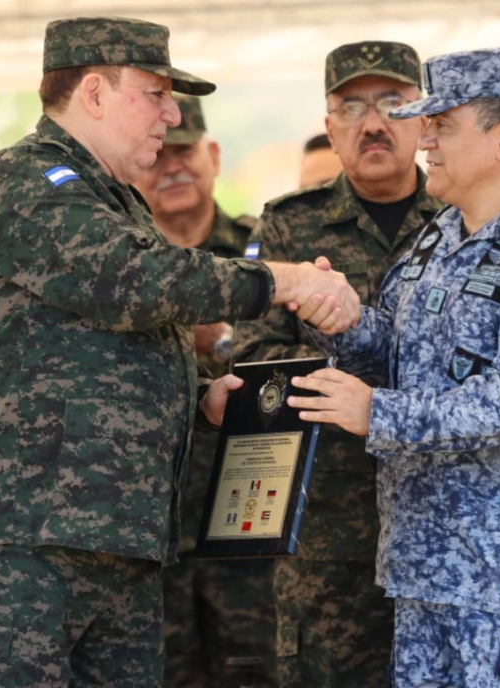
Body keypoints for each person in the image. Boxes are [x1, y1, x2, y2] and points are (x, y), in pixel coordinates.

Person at [0, 16, 360, 688]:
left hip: (118, 536)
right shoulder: (25, 180)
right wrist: (286, 281)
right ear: (94, 94)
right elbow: (130, 281)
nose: (171, 114)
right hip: (19, 537)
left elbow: (94, 348)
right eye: (155, 94)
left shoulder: (117, 202)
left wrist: (200, 399)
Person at [287, 47, 500, 688]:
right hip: (425, 572)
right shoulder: (438, 237)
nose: (424, 140)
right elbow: (398, 355)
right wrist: (344, 320)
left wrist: (377, 413)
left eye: (442, 125)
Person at [233, 40, 440, 688]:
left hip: (444, 523)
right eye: (352, 107)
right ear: (330, 126)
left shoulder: (464, 218)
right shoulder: (290, 225)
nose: (373, 123)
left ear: (423, 119)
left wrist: (368, 389)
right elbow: (253, 361)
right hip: (330, 528)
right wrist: (354, 377)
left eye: (392, 103)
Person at [134, 95, 276, 688]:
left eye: (186, 151)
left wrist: (219, 343)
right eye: (159, 154)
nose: (173, 166)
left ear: (213, 155)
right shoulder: (117, 270)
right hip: (148, 537)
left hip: (246, 525)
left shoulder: (262, 252)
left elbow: (291, 364)